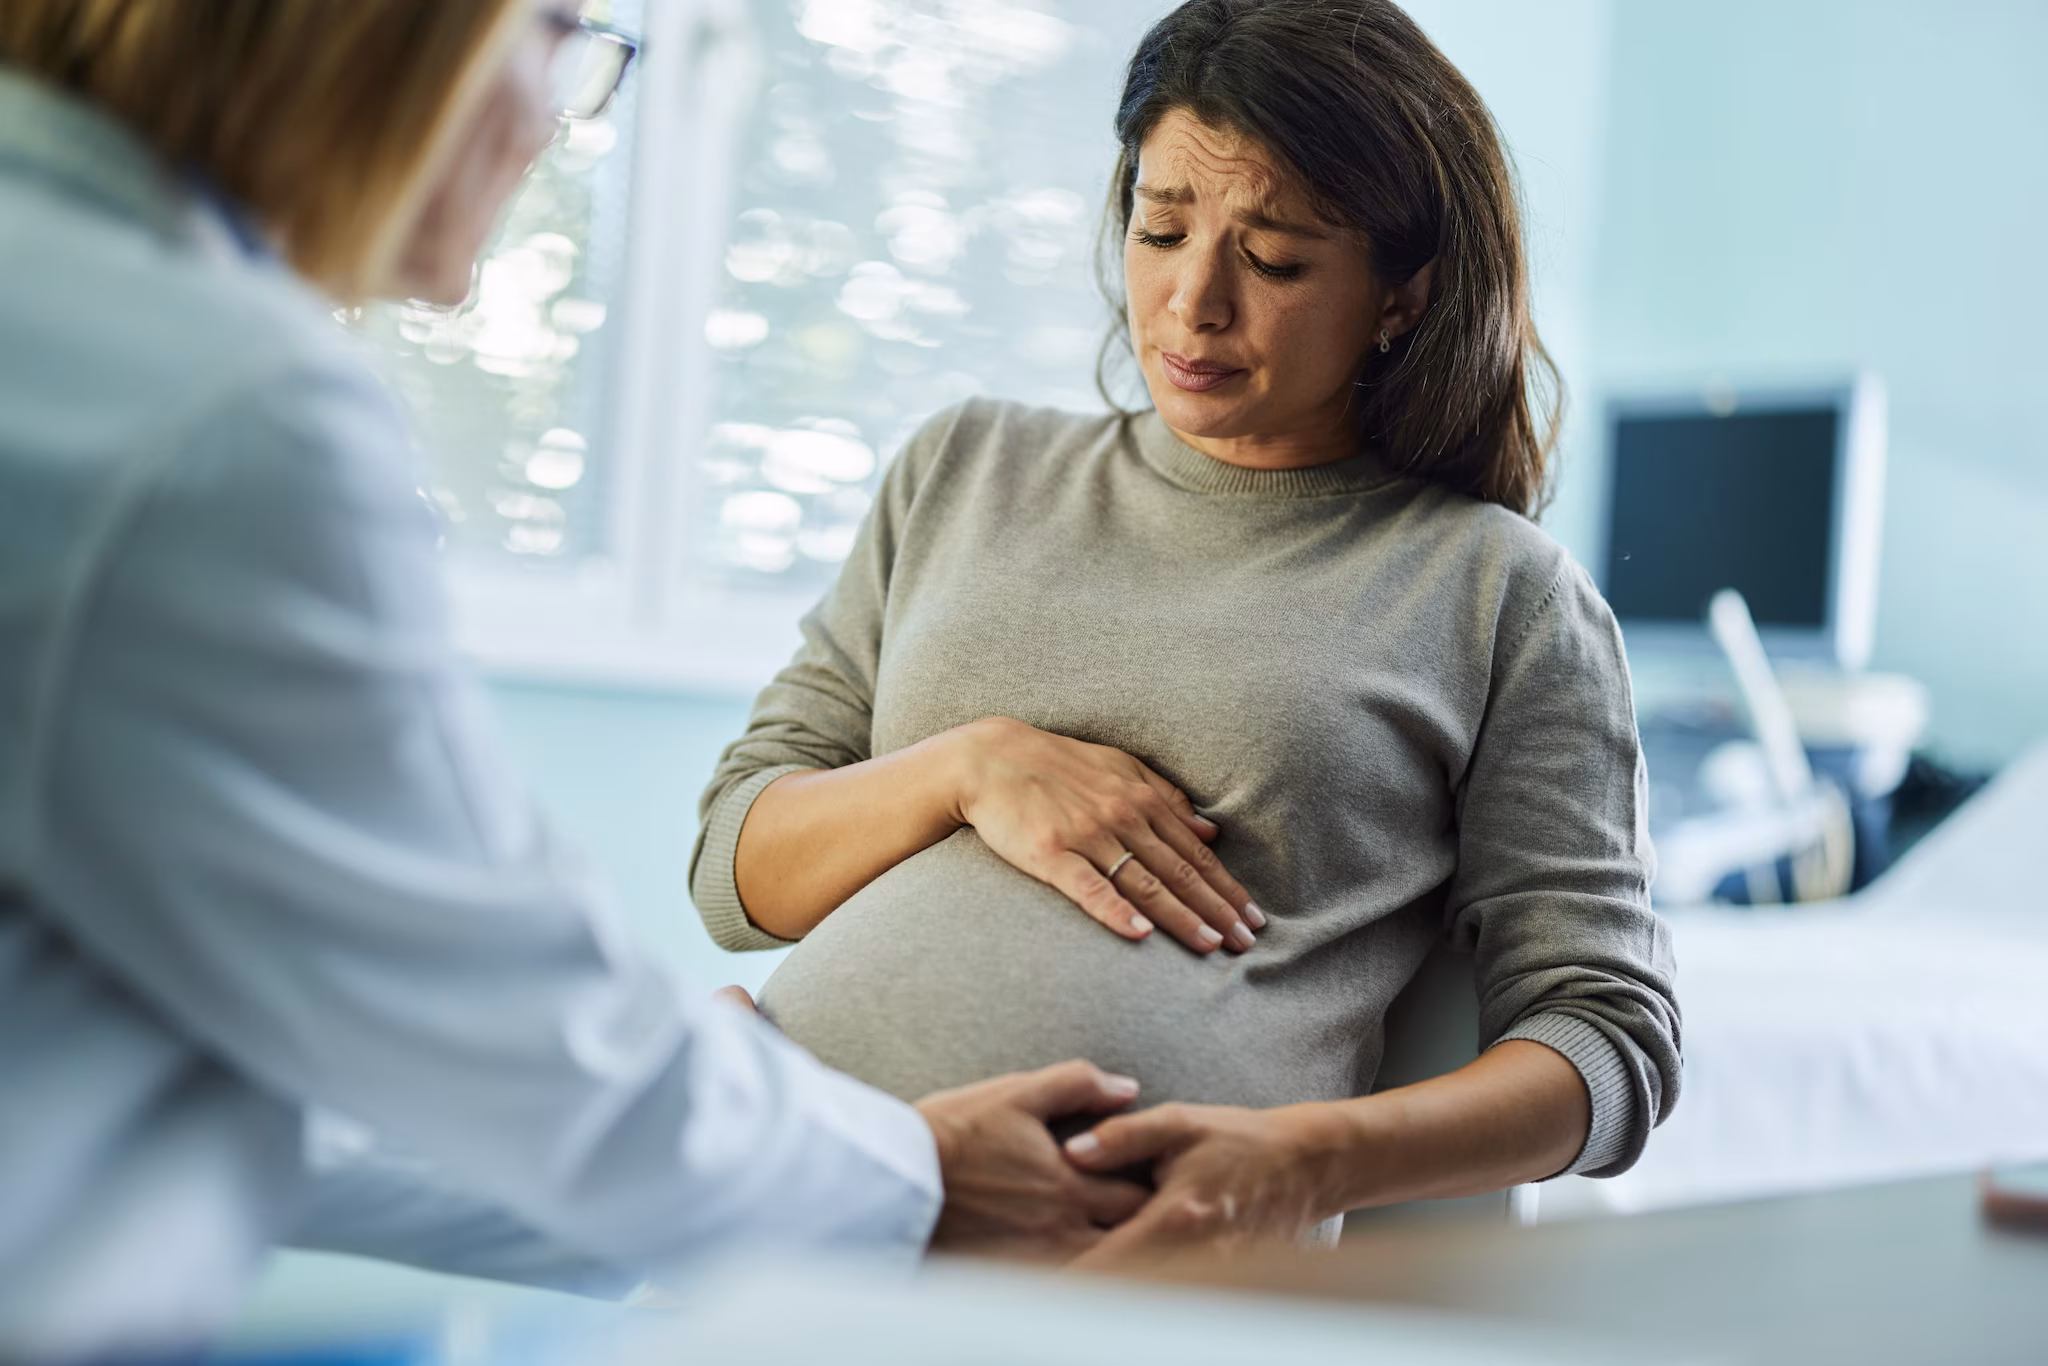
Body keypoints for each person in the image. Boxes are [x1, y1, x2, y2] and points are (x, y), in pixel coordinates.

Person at [0, 2, 1152, 1358]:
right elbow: (528, 1034)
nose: (561, 111)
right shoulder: (218, 412)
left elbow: (255, 1069)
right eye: (554, 27)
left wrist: (810, 1142)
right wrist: (899, 1171)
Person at [693, 0, 1683, 1257]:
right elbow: (735, 867)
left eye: (1272, 260)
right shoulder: (962, 467)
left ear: (1401, 293)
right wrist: (967, 767)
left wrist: (1304, 1157)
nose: (1191, 303)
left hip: (1122, 1277)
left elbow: (1609, 1039)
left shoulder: (1496, 593)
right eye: (1159, 228)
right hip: (776, 1198)